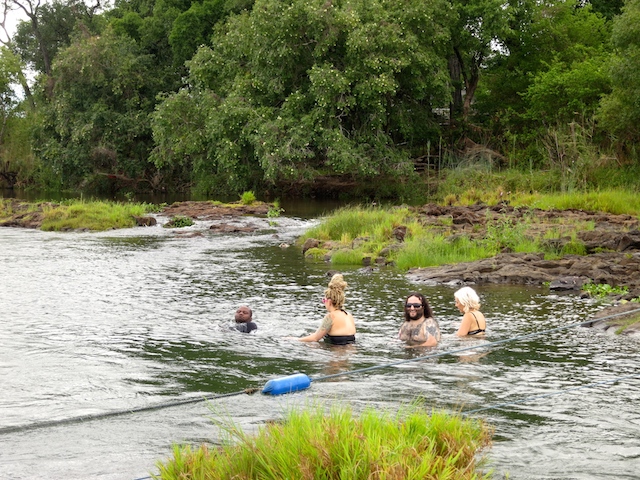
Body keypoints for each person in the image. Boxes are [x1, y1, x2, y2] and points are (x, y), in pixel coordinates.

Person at [297, 273, 356, 344]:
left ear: (329, 302)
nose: (324, 303)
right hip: (351, 351)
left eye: (324, 300)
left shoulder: (331, 316)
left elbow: (315, 338)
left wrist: (294, 339)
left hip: (336, 352)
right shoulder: (348, 315)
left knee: (311, 345)